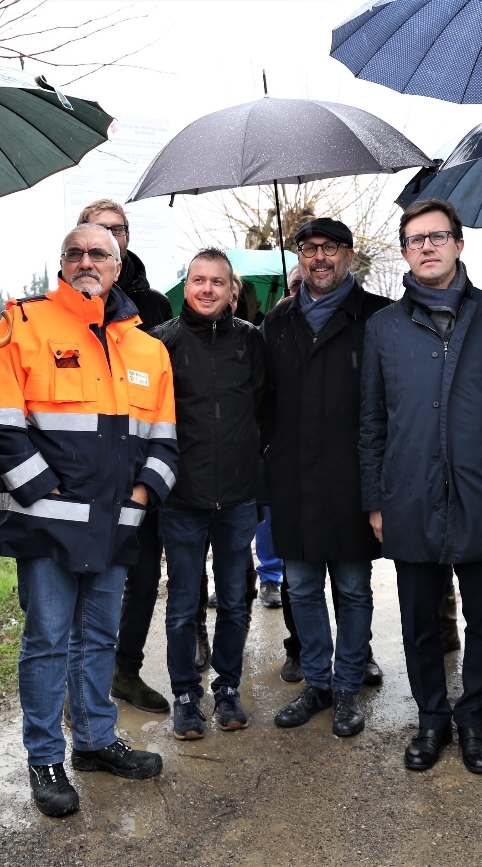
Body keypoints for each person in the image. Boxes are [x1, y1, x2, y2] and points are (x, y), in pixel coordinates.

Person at [0, 223, 176, 818]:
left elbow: (165, 439)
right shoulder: (22, 323)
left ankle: (94, 742)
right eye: (75, 252)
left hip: (116, 525)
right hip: (45, 524)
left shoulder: (148, 347)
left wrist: (140, 496)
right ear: (62, 262)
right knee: (47, 643)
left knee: (101, 640)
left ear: (119, 264)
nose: (87, 261)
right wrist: (45, 491)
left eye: (99, 253)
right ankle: (44, 758)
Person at [360, 198, 482, 774]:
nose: (427, 247)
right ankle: (432, 718)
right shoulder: (383, 328)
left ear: (460, 245)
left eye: (438, 236)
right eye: (415, 240)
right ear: (406, 252)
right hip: (409, 494)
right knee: (418, 619)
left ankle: (473, 718)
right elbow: (371, 422)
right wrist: (374, 499)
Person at [261, 217, 389, 738]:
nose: (320, 258)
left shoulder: (379, 317)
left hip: (355, 477)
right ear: (299, 258)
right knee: (303, 586)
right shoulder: (276, 323)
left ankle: (347, 686)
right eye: (310, 248)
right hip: (293, 478)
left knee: (355, 589)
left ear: (349, 255)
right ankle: (316, 681)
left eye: (330, 248)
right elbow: (264, 405)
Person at [152, 249, 265, 739]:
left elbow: (264, 408)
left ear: (230, 290)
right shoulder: (163, 343)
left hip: (238, 497)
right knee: (181, 605)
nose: (207, 290)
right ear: (186, 285)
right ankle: (185, 695)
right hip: (182, 498)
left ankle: (228, 688)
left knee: (236, 602)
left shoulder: (251, 342)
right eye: (198, 280)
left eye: (217, 282)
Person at [78, 200, 176, 716]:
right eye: (99, 231)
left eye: (118, 230)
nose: (110, 237)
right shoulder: (66, 306)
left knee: (142, 573)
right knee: (85, 574)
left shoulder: (155, 305)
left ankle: (126, 670)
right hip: (84, 474)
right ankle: (81, 682)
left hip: (142, 469)